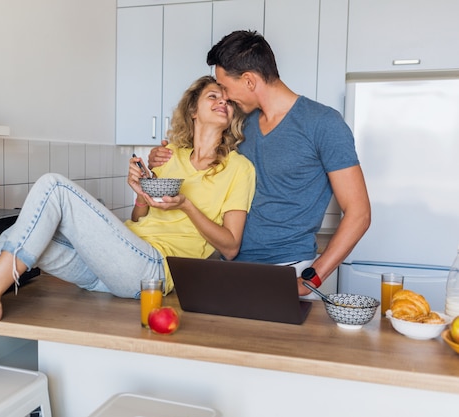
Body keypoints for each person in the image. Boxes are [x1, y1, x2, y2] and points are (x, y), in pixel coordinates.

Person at [0, 76, 255, 359]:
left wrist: (186, 206)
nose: (221, 101)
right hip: (110, 267)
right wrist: (140, 193)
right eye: (211, 96)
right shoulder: (166, 157)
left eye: (226, 99)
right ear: (194, 111)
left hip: (153, 275)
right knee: (20, 231)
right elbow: (139, 217)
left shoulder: (240, 169)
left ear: (232, 116)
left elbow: (230, 247)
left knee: (53, 186)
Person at [149, 30, 371, 297]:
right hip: (230, 268)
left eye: (227, 88)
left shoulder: (323, 123)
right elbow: (200, 157)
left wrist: (313, 278)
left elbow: (359, 213)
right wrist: (160, 158)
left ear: (249, 81)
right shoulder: (242, 125)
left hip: (287, 270)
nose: (226, 97)